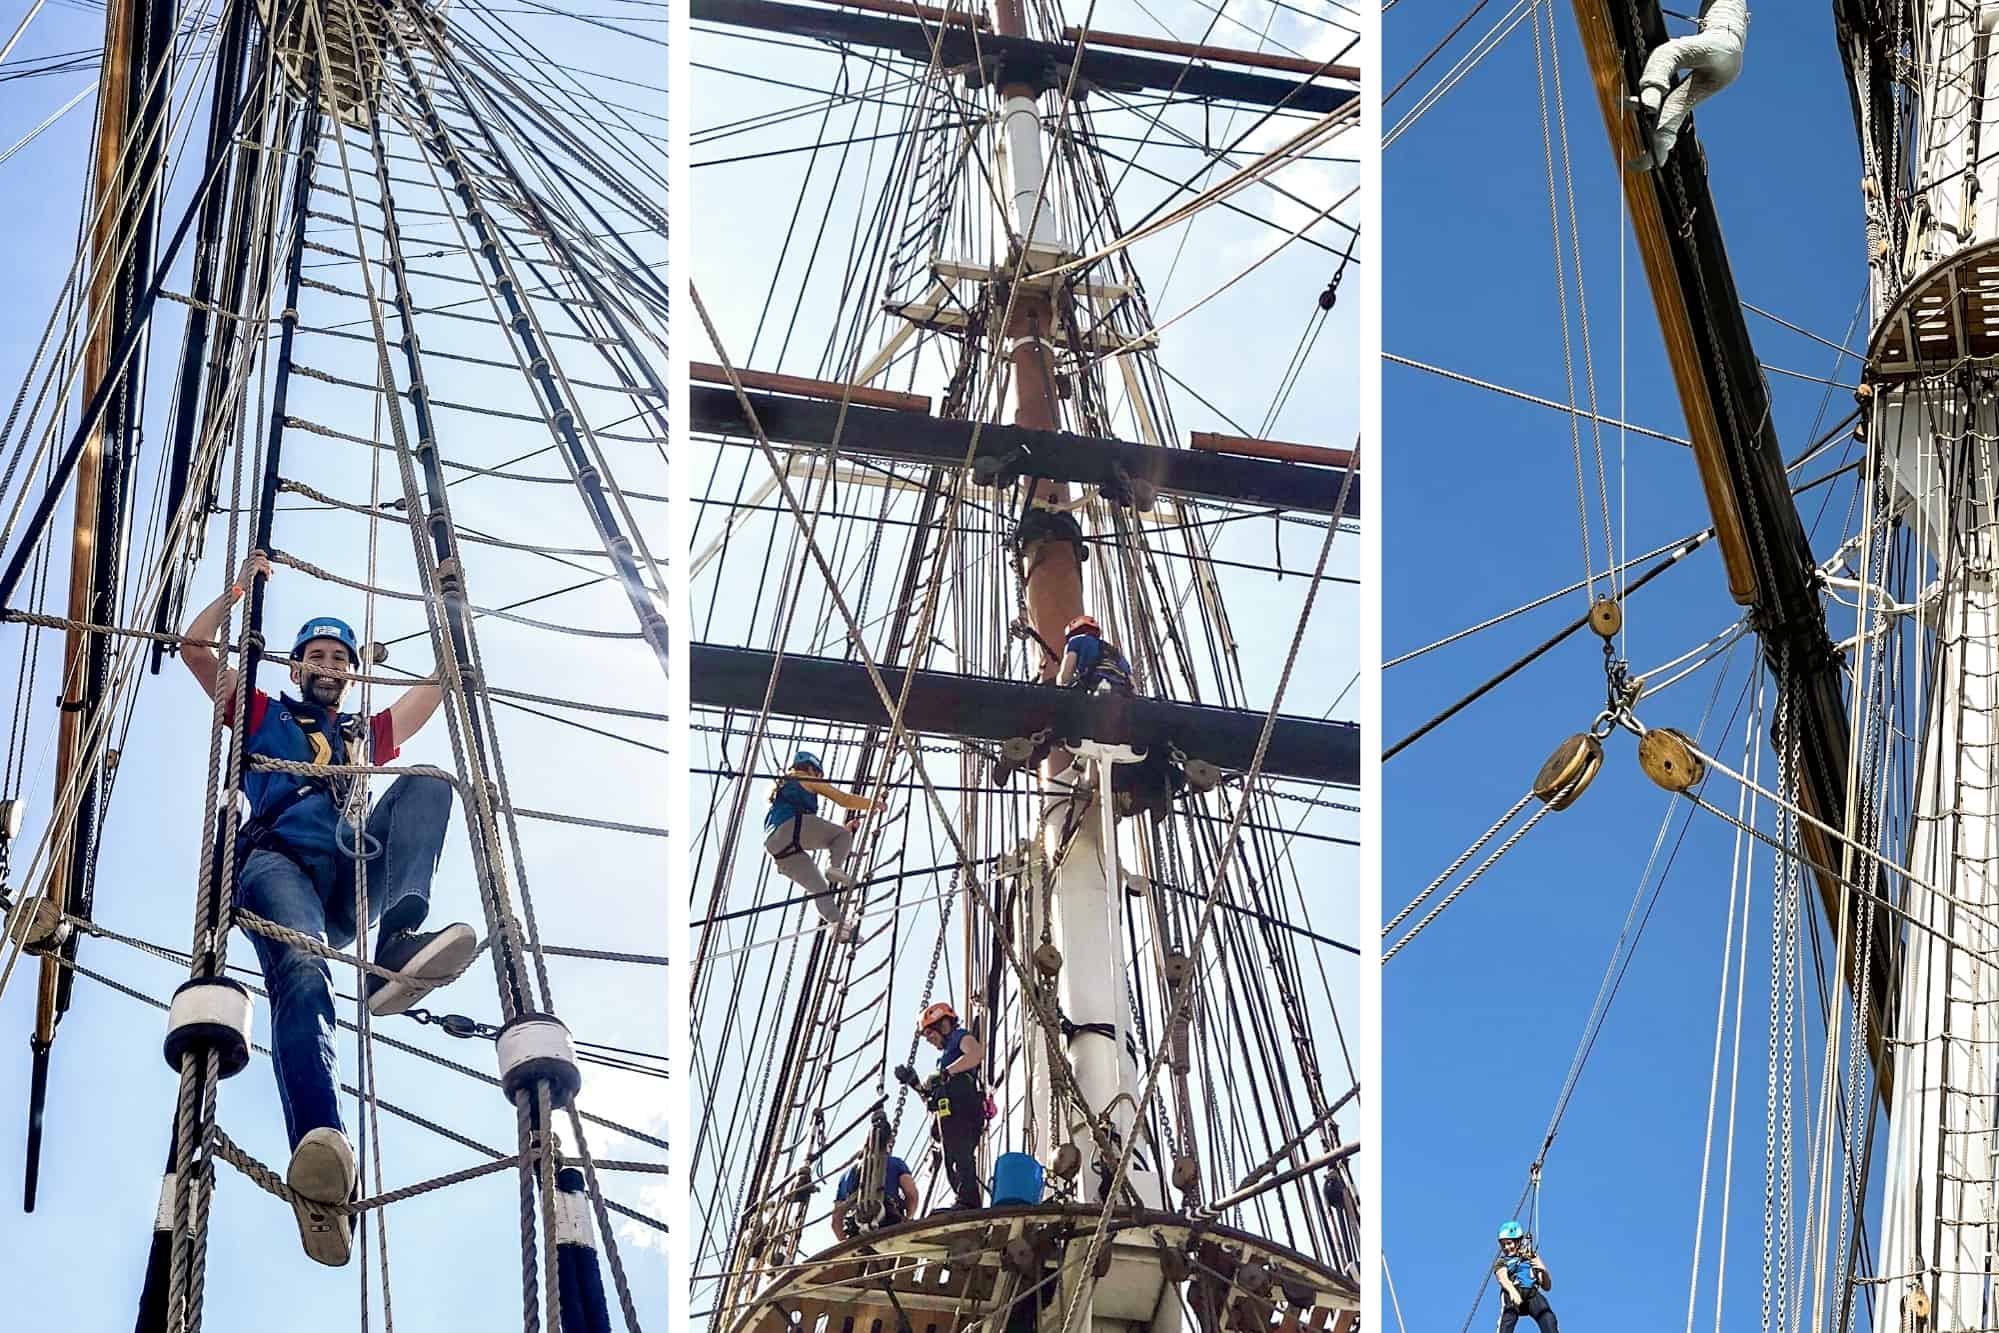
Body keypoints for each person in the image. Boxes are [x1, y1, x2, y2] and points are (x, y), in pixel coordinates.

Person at [182, 549, 475, 1267]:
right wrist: (239, 590)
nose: (328, 663)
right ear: (295, 666)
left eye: (339, 656)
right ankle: (322, 1152)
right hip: (279, 863)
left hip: (350, 870)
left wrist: (449, 609)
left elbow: (440, 685)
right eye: (315, 653)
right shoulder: (261, 714)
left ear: (349, 671)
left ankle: (396, 946)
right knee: (305, 975)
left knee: (431, 781)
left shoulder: (359, 736)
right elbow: (194, 647)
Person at [764, 750, 883, 939]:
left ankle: (838, 926)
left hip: (776, 846)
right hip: (793, 825)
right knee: (841, 836)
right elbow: (844, 800)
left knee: (819, 888)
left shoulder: (783, 784)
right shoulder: (804, 777)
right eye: (819, 774)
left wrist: (841, 833)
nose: (820, 778)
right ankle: (834, 867)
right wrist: (874, 804)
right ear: (811, 769)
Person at [1626, 0, 1748, 172]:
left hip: (1721, 39)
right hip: (1733, 63)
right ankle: (1659, 151)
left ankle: (1650, 97)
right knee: (1678, 103)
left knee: (1667, 53)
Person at [910, 1001, 985, 1210]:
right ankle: (963, 1199)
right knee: (951, 1154)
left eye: (931, 1035)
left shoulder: (960, 1037)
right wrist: (915, 1083)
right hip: (948, 1108)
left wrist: (946, 1073)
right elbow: (930, 1100)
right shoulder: (943, 1060)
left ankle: (968, 1201)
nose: (931, 1042)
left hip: (962, 1102)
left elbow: (975, 1054)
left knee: (960, 1152)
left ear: (943, 1025)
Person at [830, 1150, 918, 1241]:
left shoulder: (845, 1176)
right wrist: (907, 1219)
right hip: (891, 1225)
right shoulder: (896, 1163)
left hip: (858, 1234)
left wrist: (846, 1243)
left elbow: (836, 1220)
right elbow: (911, 1195)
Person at [1493, 1221, 1559, 1333]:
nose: (1506, 1247)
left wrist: (1543, 1270)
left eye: (1509, 1243)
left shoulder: (1530, 1257)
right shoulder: (1502, 1261)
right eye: (1503, 1245)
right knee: (1509, 1315)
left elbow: (1546, 1286)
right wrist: (1513, 1292)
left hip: (1531, 1295)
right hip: (1514, 1291)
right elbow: (1502, 1278)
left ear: (1518, 1241)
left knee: (1547, 1315)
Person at [1054, 615, 1134, 694]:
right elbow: (1133, 686)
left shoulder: (1075, 641)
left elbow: (1065, 678)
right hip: (1123, 694)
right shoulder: (1115, 652)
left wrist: (1059, 682)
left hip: (1096, 689)